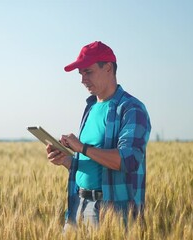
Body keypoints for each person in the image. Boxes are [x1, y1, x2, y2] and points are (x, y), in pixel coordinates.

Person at [46, 41, 151, 230]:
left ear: (108, 68)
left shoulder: (131, 109)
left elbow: (128, 160)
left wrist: (81, 147)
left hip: (110, 212)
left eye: (88, 72)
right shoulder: (91, 107)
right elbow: (94, 163)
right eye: (81, 74)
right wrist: (68, 161)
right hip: (77, 205)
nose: (82, 79)